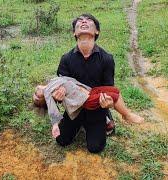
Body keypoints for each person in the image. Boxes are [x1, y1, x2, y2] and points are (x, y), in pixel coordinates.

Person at [49, 13, 121, 153]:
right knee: (61, 140)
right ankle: (81, 123)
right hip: (75, 109)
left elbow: (108, 89)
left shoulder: (107, 59)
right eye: (80, 21)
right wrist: (59, 93)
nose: (83, 21)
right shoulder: (66, 59)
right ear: (74, 33)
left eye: (89, 20)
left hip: (96, 108)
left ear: (97, 31)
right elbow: (62, 85)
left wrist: (109, 103)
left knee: (95, 148)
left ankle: (106, 117)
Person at [32, 76, 144, 139]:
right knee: (112, 96)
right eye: (37, 98)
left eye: (34, 94)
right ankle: (126, 115)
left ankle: (108, 120)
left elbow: (70, 80)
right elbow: (52, 109)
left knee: (115, 90)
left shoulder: (52, 81)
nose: (36, 93)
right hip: (85, 100)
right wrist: (55, 125)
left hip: (88, 90)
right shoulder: (48, 93)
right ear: (44, 100)